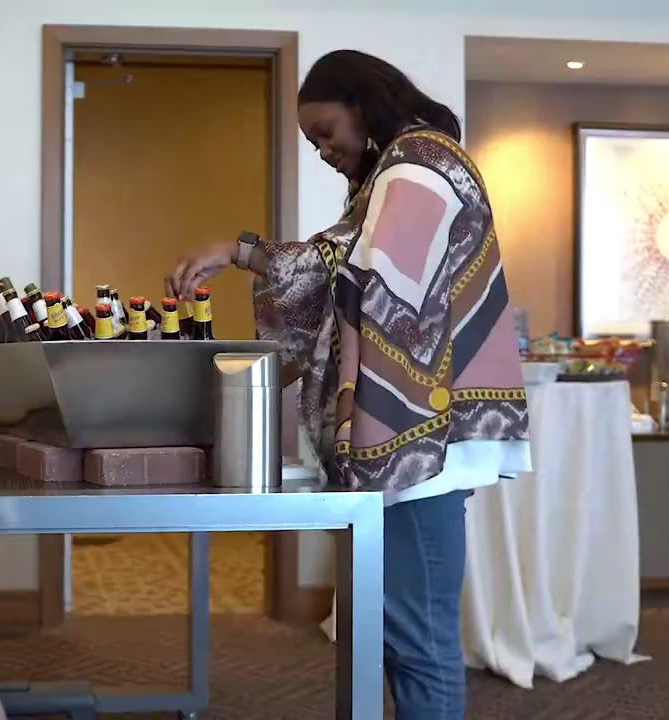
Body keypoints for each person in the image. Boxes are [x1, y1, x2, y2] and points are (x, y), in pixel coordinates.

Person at [167, 50, 531, 719]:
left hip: (420, 435)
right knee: (397, 631)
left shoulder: (420, 164)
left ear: (363, 106)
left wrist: (249, 256)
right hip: (416, 431)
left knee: (418, 639)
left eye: (327, 132)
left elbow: (381, 285)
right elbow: (340, 259)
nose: (324, 150)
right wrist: (243, 251)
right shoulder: (398, 170)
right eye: (312, 142)